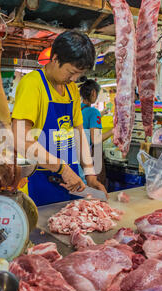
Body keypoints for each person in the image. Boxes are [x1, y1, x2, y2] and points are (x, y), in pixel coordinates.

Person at [11, 31, 107, 206]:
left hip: (69, 183)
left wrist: (90, 175)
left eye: (78, 74)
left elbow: (80, 136)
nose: (74, 79)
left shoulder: (71, 90)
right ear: (55, 59)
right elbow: (20, 139)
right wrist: (62, 168)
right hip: (39, 184)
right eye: (71, 72)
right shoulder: (33, 84)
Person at [78, 79, 113, 185]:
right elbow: (95, 140)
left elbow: (86, 120)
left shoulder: (77, 109)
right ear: (93, 93)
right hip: (87, 158)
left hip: (74, 158)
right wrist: (114, 131)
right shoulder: (94, 112)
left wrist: (101, 114)